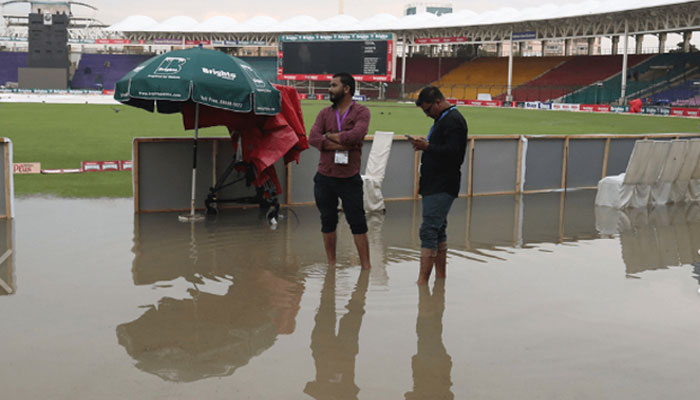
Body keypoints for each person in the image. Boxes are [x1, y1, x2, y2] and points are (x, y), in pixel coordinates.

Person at [308, 72, 372, 269]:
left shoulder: (362, 112)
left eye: (334, 85)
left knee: (358, 222)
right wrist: (341, 143)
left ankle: (366, 268)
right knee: (327, 221)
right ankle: (331, 265)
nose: (329, 89)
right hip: (325, 177)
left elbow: (357, 135)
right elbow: (313, 138)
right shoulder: (324, 114)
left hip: (349, 178)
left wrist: (331, 137)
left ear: (346, 89)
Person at [408, 86, 468, 285]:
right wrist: (427, 144)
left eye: (428, 110)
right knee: (438, 230)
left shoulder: (453, 121)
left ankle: (422, 282)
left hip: (442, 184)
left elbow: (453, 153)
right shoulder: (443, 119)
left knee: (429, 230)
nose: (427, 115)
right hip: (435, 183)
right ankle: (440, 279)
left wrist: (428, 147)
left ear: (438, 103)